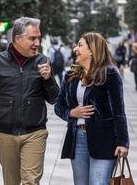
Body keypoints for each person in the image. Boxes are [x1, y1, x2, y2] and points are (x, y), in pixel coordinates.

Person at [0, 17, 59, 185]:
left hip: (35, 133)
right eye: (32, 38)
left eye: (39, 38)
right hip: (5, 133)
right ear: (17, 39)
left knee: (30, 181)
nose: (37, 43)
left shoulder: (42, 61)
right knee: (11, 182)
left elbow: (54, 98)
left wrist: (48, 79)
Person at [54, 32, 129, 185]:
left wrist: (122, 142)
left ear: (92, 51)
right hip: (78, 139)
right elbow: (58, 106)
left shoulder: (110, 73)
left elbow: (119, 111)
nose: (75, 48)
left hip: (104, 140)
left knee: (98, 182)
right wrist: (71, 112)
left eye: (80, 45)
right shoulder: (70, 75)